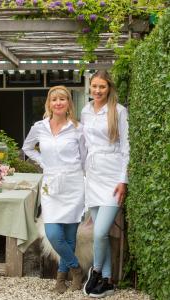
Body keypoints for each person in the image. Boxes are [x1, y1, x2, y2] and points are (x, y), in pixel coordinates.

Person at [22, 85, 86, 294]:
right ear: (48, 104)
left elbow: (85, 158)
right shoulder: (39, 127)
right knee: (53, 233)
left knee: (69, 237)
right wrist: (43, 162)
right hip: (51, 185)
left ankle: (60, 279)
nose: (58, 103)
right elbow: (27, 147)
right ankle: (77, 270)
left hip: (73, 184)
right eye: (54, 99)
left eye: (62, 99)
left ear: (69, 103)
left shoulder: (78, 128)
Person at [81, 70, 130, 298]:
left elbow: (126, 148)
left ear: (109, 87)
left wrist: (123, 179)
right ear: (90, 87)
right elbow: (84, 145)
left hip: (112, 177)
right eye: (94, 86)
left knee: (100, 232)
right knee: (100, 235)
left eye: (102, 86)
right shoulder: (85, 110)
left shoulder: (119, 111)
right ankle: (108, 282)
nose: (97, 91)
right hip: (92, 176)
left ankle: (96, 272)